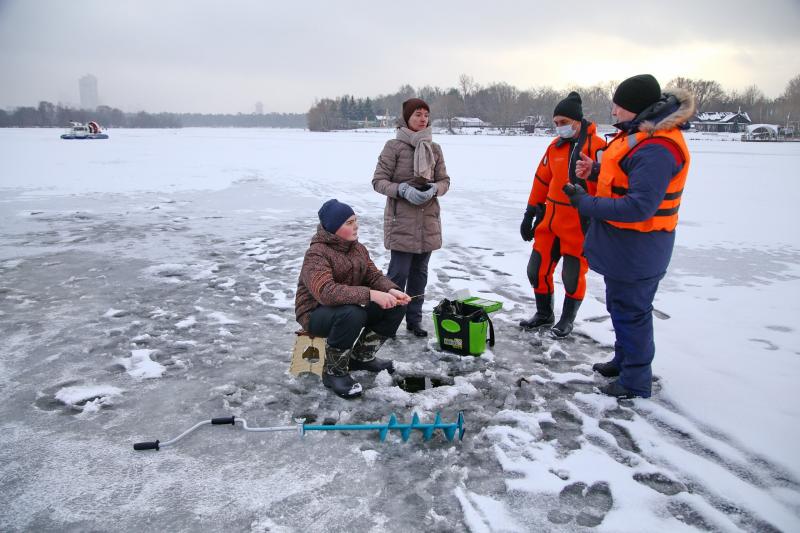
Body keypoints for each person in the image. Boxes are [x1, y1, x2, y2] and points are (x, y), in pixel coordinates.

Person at [564, 74, 695, 398]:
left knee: (632, 312)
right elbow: (627, 178)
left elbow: (639, 206)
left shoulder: (659, 147)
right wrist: (594, 172)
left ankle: (635, 381)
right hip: (626, 246)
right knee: (620, 306)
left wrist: (585, 202)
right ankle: (624, 360)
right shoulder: (640, 135)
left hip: (640, 247)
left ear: (636, 109)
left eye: (619, 107)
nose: (614, 113)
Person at [295, 199, 411, 399]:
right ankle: (334, 372)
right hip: (315, 313)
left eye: (355, 220)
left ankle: (361, 357)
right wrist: (372, 295)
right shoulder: (316, 254)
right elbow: (326, 292)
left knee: (395, 307)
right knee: (352, 313)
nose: (356, 226)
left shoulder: (358, 249)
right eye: (349, 222)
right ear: (333, 228)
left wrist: (392, 291)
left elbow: (373, 276)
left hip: (348, 307)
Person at [519, 92, 606, 337]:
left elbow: (607, 184)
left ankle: (567, 319)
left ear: (577, 122)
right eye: (555, 123)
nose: (559, 128)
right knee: (536, 270)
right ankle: (544, 314)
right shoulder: (554, 148)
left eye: (563, 122)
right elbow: (541, 181)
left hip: (578, 224)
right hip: (550, 221)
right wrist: (530, 213)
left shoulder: (597, 147)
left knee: (572, 275)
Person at [372, 98, 451, 337]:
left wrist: (434, 189)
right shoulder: (393, 147)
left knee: (420, 275)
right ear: (407, 117)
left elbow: (445, 181)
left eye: (426, 115)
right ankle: (388, 322)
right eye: (417, 114)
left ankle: (414, 321)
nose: (423, 119)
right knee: (397, 275)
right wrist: (403, 190)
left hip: (427, 222)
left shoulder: (434, 148)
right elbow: (378, 181)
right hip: (402, 222)